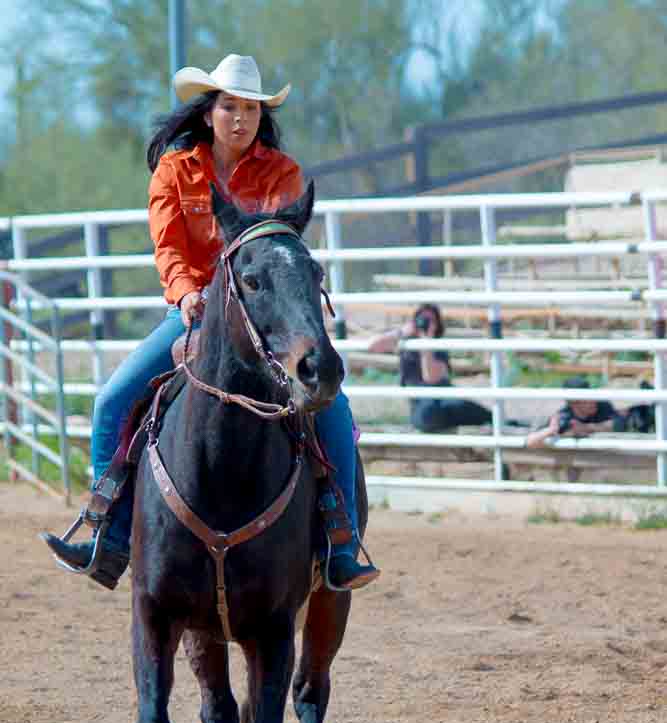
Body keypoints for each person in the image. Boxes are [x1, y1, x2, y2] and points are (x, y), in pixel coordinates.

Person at [43, 54, 378, 591]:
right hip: (196, 314)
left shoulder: (281, 173)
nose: (240, 118)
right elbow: (168, 247)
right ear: (209, 112)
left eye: (250, 108)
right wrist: (185, 295)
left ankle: (342, 539)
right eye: (230, 107)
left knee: (332, 405)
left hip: (262, 318)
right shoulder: (174, 171)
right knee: (112, 402)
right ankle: (109, 536)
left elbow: (275, 246)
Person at [367, 304, 495, 432]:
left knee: (473, 410)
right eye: (422, 319)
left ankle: (504, 423)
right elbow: (372, 346)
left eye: (431, 321)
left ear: (437, 324)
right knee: (428, 414)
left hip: (446, 400)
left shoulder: (438, 347)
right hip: (422, 406)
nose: (426, 323)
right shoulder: (405, 343)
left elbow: (431, 378)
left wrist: (426, 343)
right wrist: (400, 332)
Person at [526, 375, 654, 448]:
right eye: (586, 399)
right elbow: (529, 442)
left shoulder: (601, 405)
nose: (592, 400)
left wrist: (588, 427)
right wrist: (550, 430)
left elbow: (619, 424)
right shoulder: (565, 416)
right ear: (573, 404)